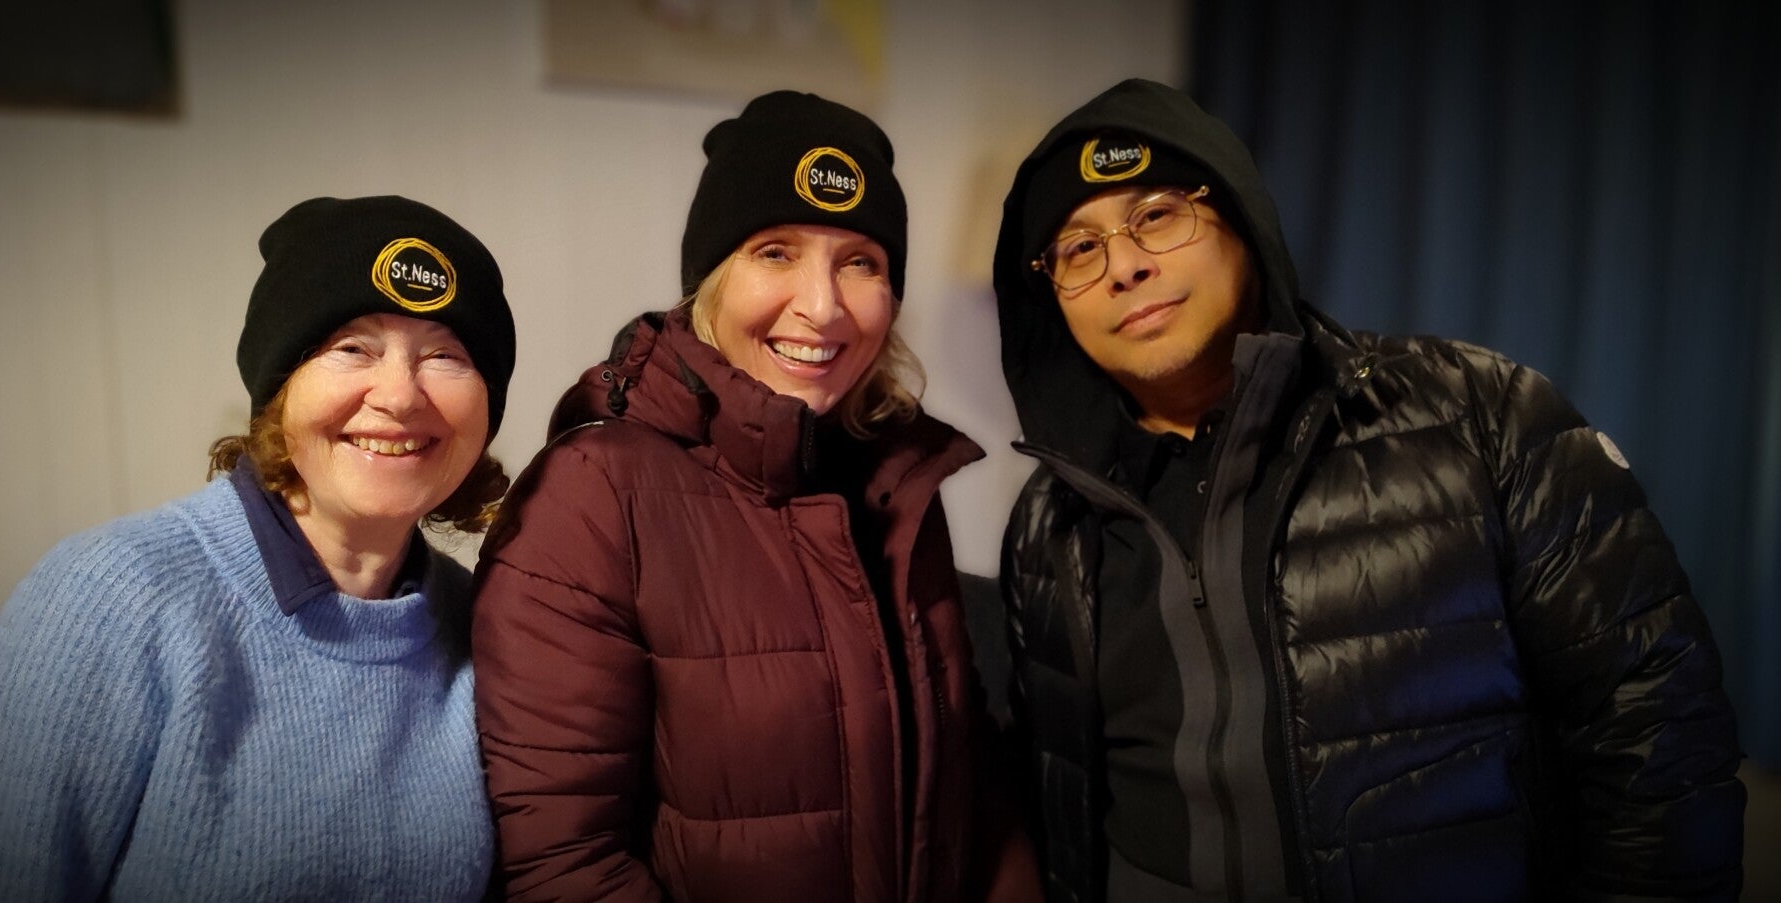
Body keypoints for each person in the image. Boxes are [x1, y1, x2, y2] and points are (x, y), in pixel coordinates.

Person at [991, 78, 1745, 902]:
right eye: (1078, 249)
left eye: (1158, 215)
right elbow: (1054, 797)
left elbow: (1655, 733)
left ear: (1240, 218)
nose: (1125, 266)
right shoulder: (1046, 521)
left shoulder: (1480, 415)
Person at [472, 90, 1037, 902]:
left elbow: (967, 772)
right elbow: (564, 864)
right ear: (709, 282)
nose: (822, 305)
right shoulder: (593, 494)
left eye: (860, 262)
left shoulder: (898, 477)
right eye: (775, 252)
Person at [0, 196, 515, 901]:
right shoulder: (111, 599)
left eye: (444, 355)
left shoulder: (486, 624)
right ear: (278, 388)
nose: (400, 396)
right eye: (353, 348)